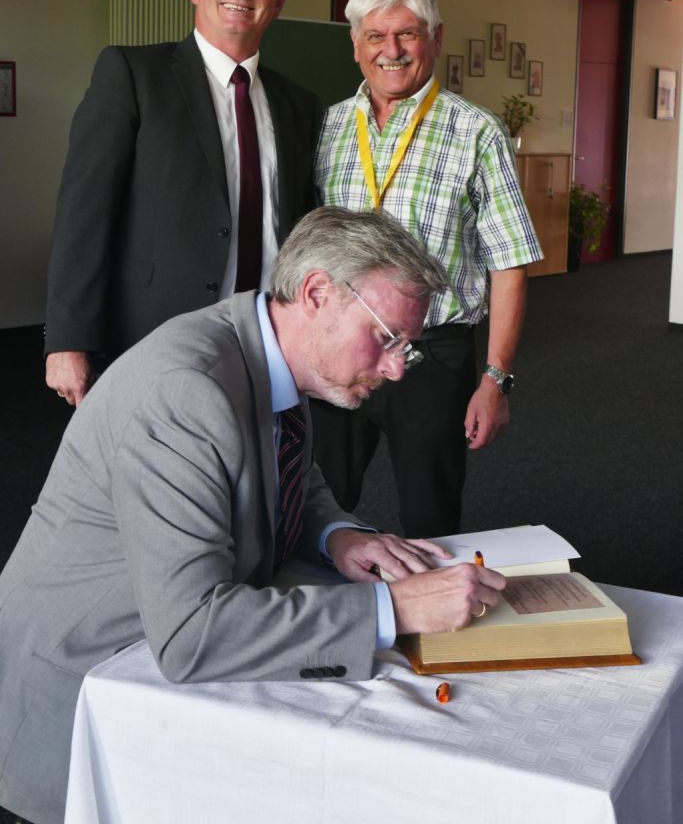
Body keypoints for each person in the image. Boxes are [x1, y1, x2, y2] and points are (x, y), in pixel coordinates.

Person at [0, 207, 506, 824]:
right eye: (386, 338)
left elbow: (278, 466)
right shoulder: (185, 391)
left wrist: (335, 533)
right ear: (318, 293)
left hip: (147, 650)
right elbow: (191, 635)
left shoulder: (263, 346)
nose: (397, 368)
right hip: (79, 688)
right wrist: (398, 609)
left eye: (409, 348)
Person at [44, 0, 321, 407]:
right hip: (155, 332)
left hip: (267, 336)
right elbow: (84, 214)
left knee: (254, 474)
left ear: (278, 0)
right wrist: (68, 338)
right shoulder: (132, 74)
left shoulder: (298, 104)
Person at [313, 0, 543, 538]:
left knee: (430, 519)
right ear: (356, 44)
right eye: (375, 36)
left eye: (408, 34)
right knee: (314, 502)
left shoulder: (476, 131)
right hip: (336, 348)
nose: (391, 51)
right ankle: (319, 621)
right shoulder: (330, 127)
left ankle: (432, 622)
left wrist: (496, 381)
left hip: (429, 355)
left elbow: (509, 262)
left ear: (435, 38)